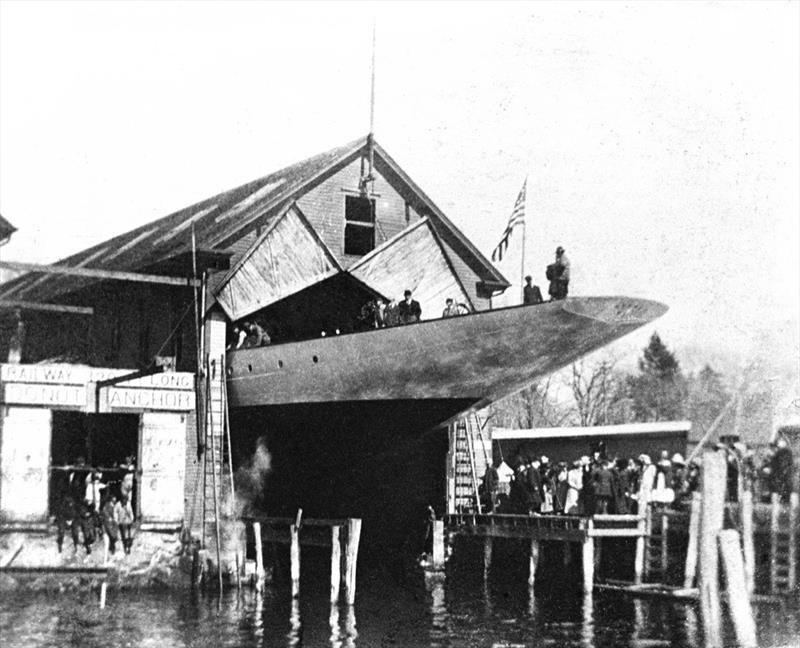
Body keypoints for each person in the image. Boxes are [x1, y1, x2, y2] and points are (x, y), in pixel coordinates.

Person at [769, 436, 794, 502]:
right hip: (784, 476)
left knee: (780, 491)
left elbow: (774, 465)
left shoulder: (778, 453)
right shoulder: (787, 452)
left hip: (781, 476)